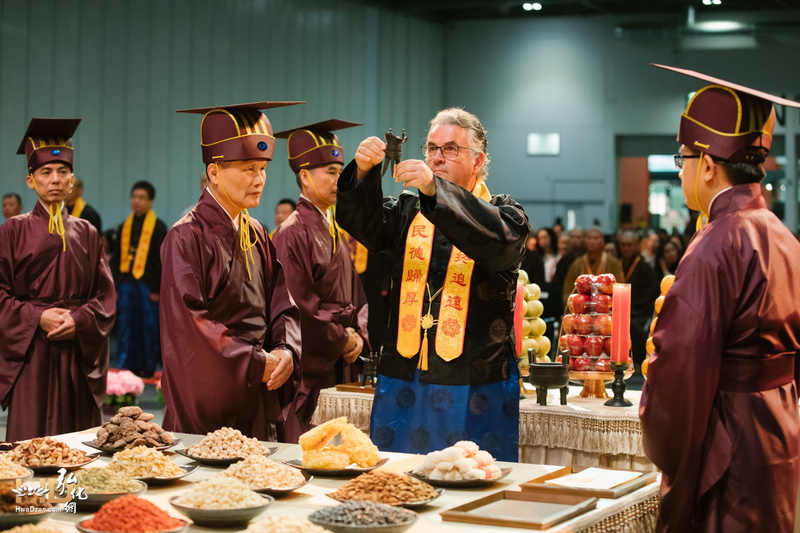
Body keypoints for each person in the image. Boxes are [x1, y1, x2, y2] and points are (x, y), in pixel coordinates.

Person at [640, 64, 800, 532]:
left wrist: (663, 438)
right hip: (779, 430)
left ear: (707, 163)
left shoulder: (718, 242)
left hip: (728, 443)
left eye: (682, 158)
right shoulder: (781, 234)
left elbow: (681, 365)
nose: (683, 169)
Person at [337, 108, 529, 461]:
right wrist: (363, 171)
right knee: (397, 476)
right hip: (404, 374)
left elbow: (498, 245)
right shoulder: (408, 211)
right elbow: (363, 223)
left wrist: (432, 188)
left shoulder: (506, 214)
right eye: (431, 148)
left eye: (451, 149)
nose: (438, 158)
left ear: (479, 160)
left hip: (475, 382)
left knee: (469, 482)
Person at [161, 101, 302, 441]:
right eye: (248, 169)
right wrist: (253, 362)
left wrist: (285, 350)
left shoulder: (256, 230)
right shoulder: (185, 236)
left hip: (259, 381)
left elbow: (281, 303)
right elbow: (190, 327)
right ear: (214, 171)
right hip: (214, 390)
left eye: (263, 169)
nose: (259, 180)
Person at [0, 118, 115, 441]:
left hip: (76, 350)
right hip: (31, 350)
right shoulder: (12, 230)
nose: (54, 179)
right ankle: (28, 493)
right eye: (45, 173)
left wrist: (78, 320)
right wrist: (37, 316)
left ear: (72, 179)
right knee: (30, 444)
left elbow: (105, 297)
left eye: (62, 172)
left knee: (78, 443)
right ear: (30, 181)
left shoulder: (87, 232)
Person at [272, 119, 370, 442]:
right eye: (330, 171)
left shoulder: (332, 227)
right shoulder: (291, 233)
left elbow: (355, 295)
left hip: (339, 362)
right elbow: (299, 310)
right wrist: (343, 339)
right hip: (312, 370)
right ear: (304, 176)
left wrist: (358, 335)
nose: (338, 179)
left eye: (341, 171)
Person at [108, 181, 167, 378]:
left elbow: (162, 261)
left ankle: (148, 365)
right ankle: (127, 365)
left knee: (148, 327)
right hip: (126, 284)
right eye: (134, 197)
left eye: (141, 197)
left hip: (147, 285)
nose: (137, 201)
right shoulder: (125, 226)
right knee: (126, 325)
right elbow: (115, 258)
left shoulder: (158, 227)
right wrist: (116, 284)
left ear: (150, 201)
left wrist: (157, 288)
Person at [617, 230, 659, 377]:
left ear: (636, 246)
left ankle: (635, 361)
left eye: (629, 245)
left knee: (632, 325)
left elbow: (649, 294)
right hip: (617, 310)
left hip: (638, 312)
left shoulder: (645, 268)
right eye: (623, 245)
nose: (626, 249)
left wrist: (630, 310)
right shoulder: (617, 265)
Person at [561, 227, 624, 307]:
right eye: (589, 238)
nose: (592, 241)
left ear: (602, 241)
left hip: (605, 308)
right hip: (582, 310)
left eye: (596, 238)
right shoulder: (577, 263)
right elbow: (568, 291)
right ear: (584, 241)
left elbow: (619, 289)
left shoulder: (612, 262)